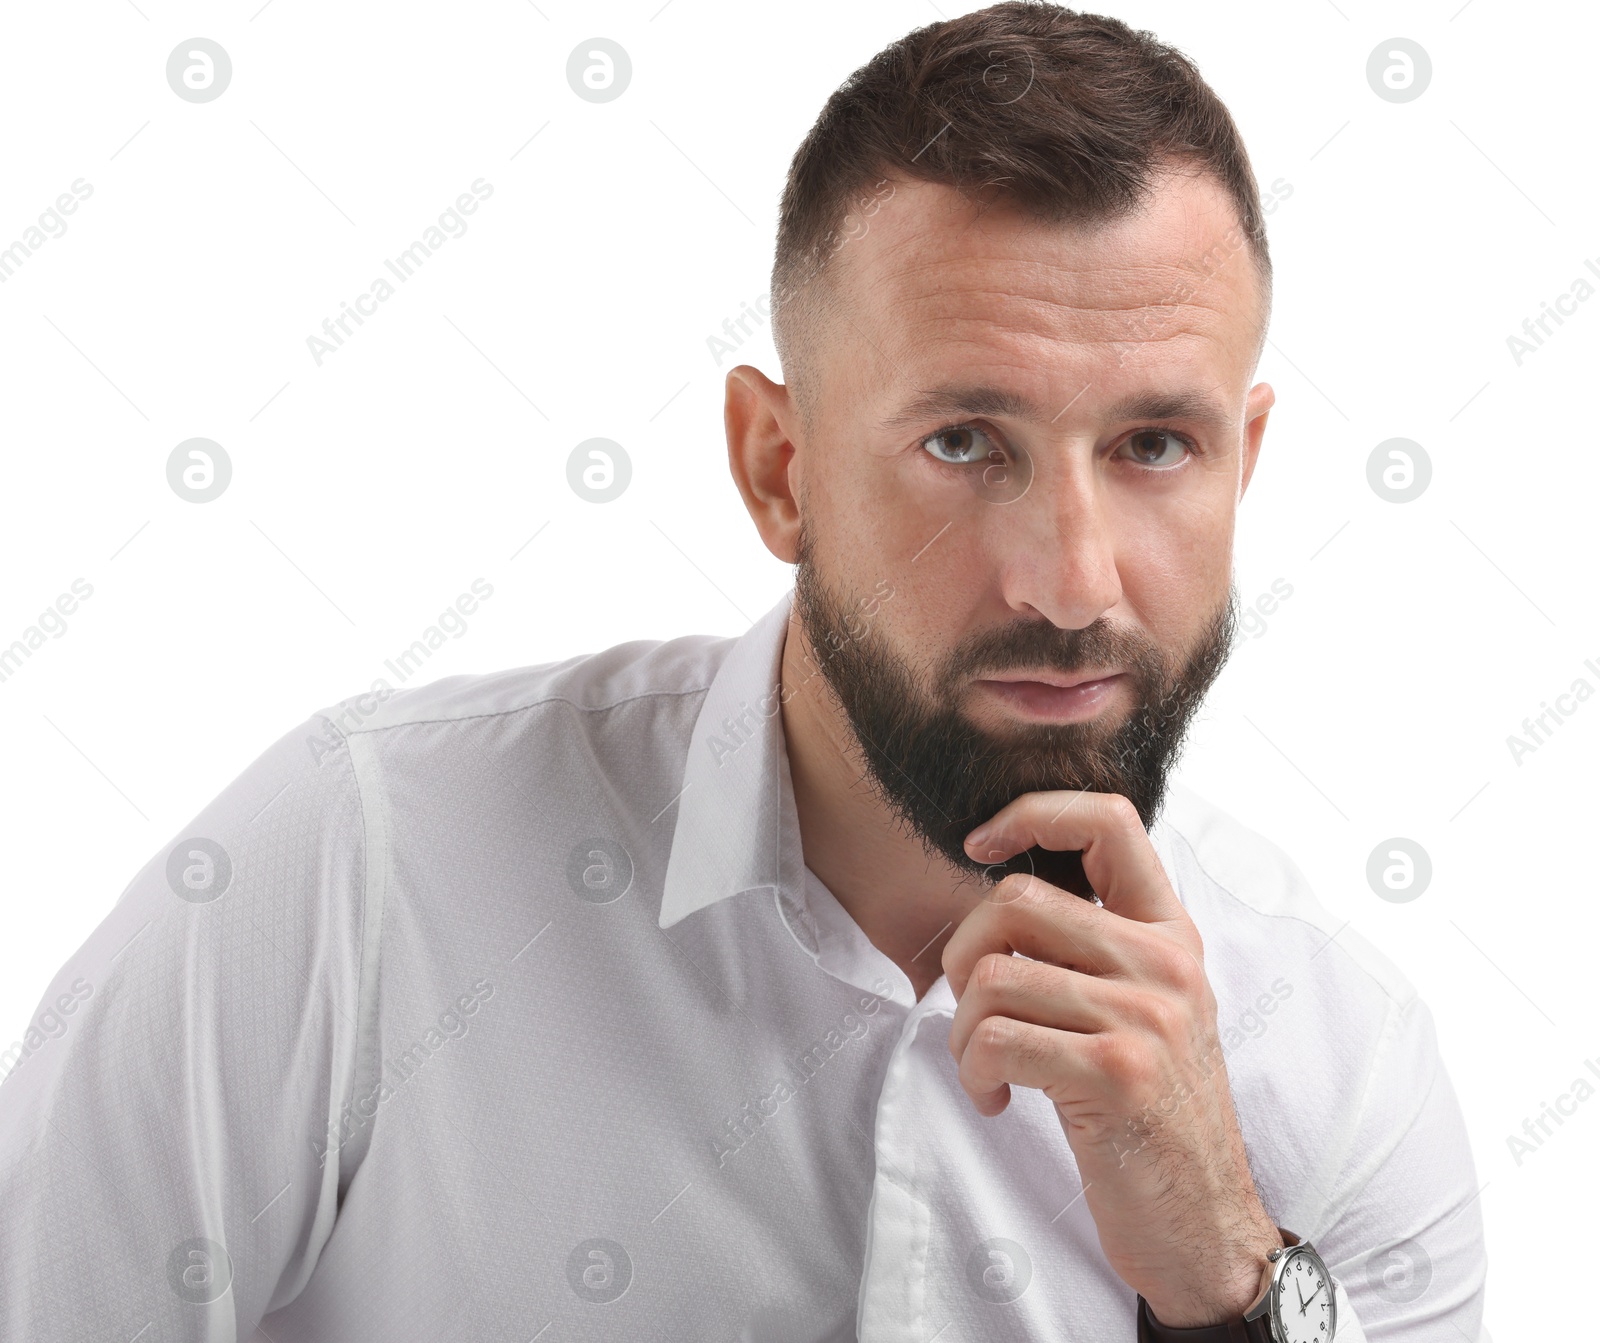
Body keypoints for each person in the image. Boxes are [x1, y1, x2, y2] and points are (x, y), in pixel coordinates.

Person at [0, 4, 1486, 1340]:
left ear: (1248, 466)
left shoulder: (1341, 1076)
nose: (1072, 579)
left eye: (1156, 446)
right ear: (779, 469)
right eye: (966, 445)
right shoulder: (359, 874)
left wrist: (1225, 1283)